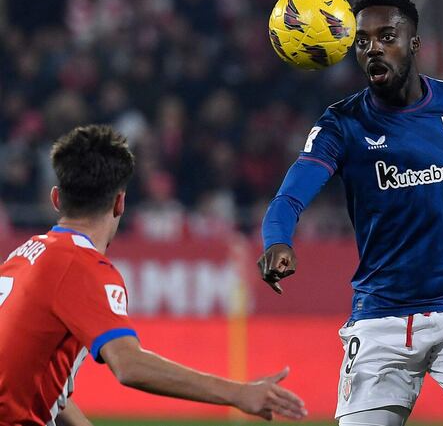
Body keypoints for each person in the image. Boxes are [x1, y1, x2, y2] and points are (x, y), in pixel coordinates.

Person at [257, 0, 443, 426]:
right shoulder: (342, 125)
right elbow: (289, 197)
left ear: (414, 43)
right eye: (363, 40)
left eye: (387, 36)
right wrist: (278, 240)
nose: (374, 48)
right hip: (381, 321)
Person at [0, 125, 307, 426]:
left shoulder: (23, 256)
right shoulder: (81, 266)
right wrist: (238, 393)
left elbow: (35, 380)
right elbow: (129, 365)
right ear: (120, 202)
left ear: (56, 199)